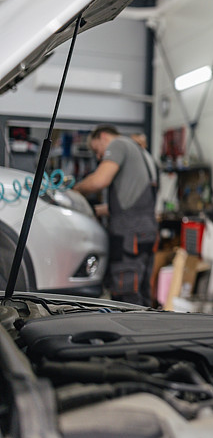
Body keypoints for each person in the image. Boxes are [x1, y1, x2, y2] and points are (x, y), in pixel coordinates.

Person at [74, 125, 158, 306]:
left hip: (128, 234)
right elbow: (130, 203)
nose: (99, 157)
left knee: (125, 295)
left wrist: (74, 191)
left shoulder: (118, 144)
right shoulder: (143, 153)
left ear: (103, 137)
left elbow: (99, 181)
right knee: (142, 291)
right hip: (146, 230)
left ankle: (130, 333)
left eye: (97, 150)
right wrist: (95, 210)